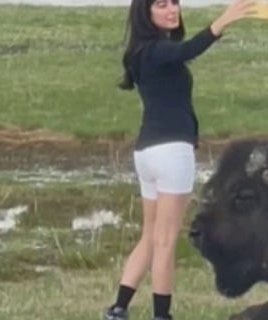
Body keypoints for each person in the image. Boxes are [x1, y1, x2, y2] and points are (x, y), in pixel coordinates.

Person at [104, 0, 257, 319]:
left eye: (174, 3)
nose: (172, 10)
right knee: (165, 241)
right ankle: (162, 315)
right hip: (172, 153)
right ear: (145, 13)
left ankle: (118, 308)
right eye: (161, 5)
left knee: (150, 235)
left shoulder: (139, 52)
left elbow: (179, 53)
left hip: (147, 154)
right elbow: (186, 51)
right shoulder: (157, 51)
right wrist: (222, 22)